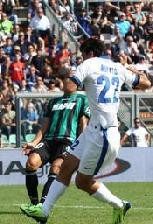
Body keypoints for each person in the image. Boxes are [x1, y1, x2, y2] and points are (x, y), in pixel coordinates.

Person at [20, 38, 151, 224]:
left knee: (82, 182)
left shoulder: (88, 63)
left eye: (82, 53)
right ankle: (44, 211)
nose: (81, 56)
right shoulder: (118, 68)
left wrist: (71, 73)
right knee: (65, 168)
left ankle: (120, 205)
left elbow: (69, 87)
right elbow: (146, 84)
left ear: (88, 52)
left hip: (103, 135)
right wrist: (132, 69)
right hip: (93, 132)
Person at [21, 66, 90, 223]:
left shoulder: (82, 100)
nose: (65, 81)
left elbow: (83, 124)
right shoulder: (53, 102)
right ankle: (34, 203)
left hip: (68, 141)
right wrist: (33, 142)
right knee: (31, 164)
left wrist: (79, 145)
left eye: (68, 79)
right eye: (64, 79)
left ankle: (43, 206)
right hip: (48, 141)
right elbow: (45, 126)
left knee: (56, 168)